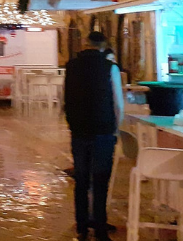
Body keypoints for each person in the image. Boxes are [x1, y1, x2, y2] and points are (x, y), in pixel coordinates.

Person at [64, 31, 124, 241]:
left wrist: (71, 123)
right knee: (100, 180)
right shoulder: (110, 68)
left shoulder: (71, 66)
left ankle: (82, 225)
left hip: (79, 130)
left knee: (81, 179)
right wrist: (117, 128)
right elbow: (118, 103)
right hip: (103, 131)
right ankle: (99, 226)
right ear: (103, 45)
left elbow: (65, 97)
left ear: (86, 44)